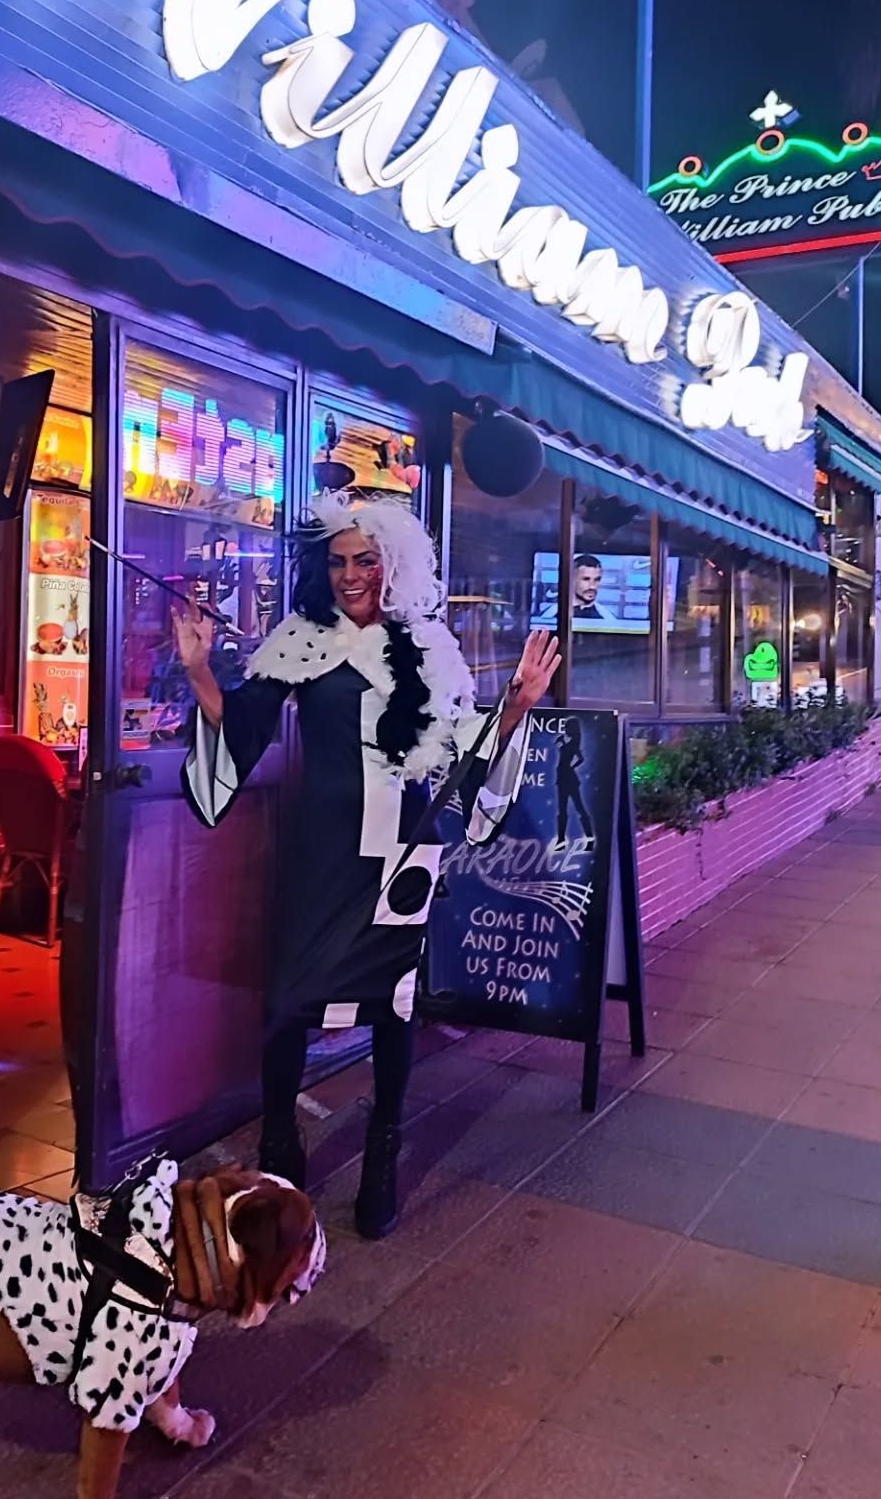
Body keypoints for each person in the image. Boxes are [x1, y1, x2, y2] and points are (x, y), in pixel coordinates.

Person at [176, 493, 560, 1239]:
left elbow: (459, 751)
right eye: (339, 561)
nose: (351, 574)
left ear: (395, 564)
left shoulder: (430, 646)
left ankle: (382, 1152)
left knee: (393, 1006)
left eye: (367, 559)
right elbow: (246, 726)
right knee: (287, 1000)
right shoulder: (301, 638)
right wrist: (197, 671)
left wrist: (514, 706)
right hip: (318, 849)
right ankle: (282, 1148)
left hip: (400, 852)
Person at [556, 716, 595, 846]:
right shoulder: (571, 743)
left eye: (566, 727)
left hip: (568, 778)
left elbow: (580, 758)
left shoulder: (573, 744)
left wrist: (571, 767)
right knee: (563, 809)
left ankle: (589, 837)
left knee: (578, 807)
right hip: (562, 777)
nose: (565, 730)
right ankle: (561, 838)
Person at [572, 553, 607, 621]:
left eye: (597, 579)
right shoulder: (549, 615)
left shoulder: (608, 618)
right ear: (571, 580)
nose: (592, 586)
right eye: (586, 579)